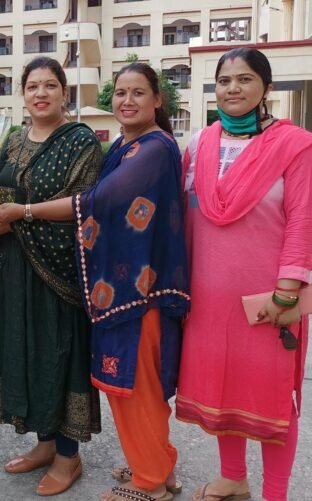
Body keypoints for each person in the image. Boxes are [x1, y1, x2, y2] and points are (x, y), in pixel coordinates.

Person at [0, 62, 190, 501]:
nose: (127, 101)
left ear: (158, 100)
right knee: (127, 383)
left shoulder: (151, 148)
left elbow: (96, 201)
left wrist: (22, 214)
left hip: (137, 286)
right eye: (121, 93)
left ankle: (150, 482)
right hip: (116, 282)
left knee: (135, 384)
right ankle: (154, 466)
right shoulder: (126, 145)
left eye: (138, 93)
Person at [175, 48, 312, 501]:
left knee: (275, 401)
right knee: (223, 392)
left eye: (245, 79)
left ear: (266, 88)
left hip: (268, 301)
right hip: (208, 300)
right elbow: (182, 216)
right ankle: (233, 477)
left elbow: (303, 220)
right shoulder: (199, 144)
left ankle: (276, 493)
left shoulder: (296, 146)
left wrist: (287, 293)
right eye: (224, 80)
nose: (232, 88)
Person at [0, 56, 102, 497]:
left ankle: (68, 455)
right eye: (32, 86)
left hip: (57, 271)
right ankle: (45, 444)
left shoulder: (81, 141)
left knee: (58, 354)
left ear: (64, 92)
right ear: (23, 94)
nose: (41, 93)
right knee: (26, 352)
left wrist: (19, 217)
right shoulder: (12, 140)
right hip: (16, 268)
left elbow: (83, 204)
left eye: (50, 85)